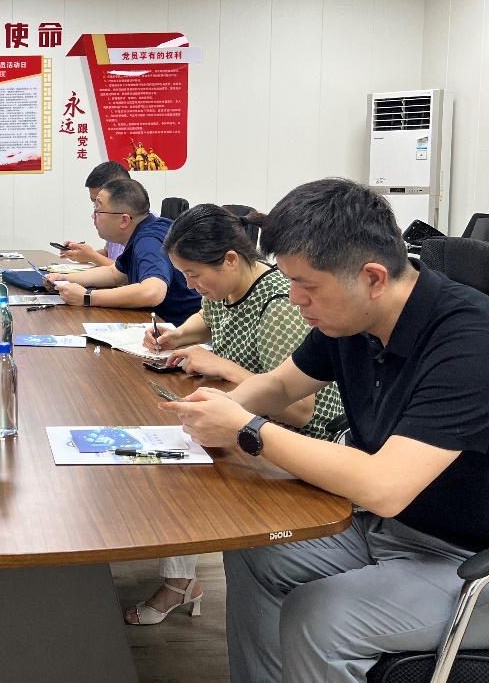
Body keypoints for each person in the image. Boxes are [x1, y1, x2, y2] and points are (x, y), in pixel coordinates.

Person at [160, 179, 489, 683]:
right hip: (397, 530)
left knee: (323, 617)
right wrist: (208, 414)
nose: (294, 299)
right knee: (256, 547)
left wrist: (247, 430)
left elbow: (386, 486)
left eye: (306, 285)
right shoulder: (351, 319)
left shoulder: (474, 340)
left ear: (372, 277)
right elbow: (281, 385)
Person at [123, 204, 343, 625]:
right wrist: (176, 335)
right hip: (248, 414)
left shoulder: (279, 303)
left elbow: (300, 410)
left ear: (230, 260)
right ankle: (180, 580)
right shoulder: (224, 290)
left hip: (296, 440)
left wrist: (222, 366)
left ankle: (180, 584)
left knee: (178, 467)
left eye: (193, 275)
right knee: (176, 443)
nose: (189, 285)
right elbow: (208, 319)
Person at [44, 178, 200, 324]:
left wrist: (87, 297)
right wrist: (64, 278)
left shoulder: (148, 241)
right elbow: (115, 274)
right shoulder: (146, 229)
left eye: (98, 209)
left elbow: (153, 292)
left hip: (181, 332)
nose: (93, 215)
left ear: (124, 220)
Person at [59, 160, 130, 267]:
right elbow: (108, 253)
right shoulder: (114, 219)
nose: (94, 214)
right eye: (94, 203)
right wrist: (83, 255)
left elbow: (127, 271)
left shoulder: (145, 228)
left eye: (99, 203)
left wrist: (92, 256)